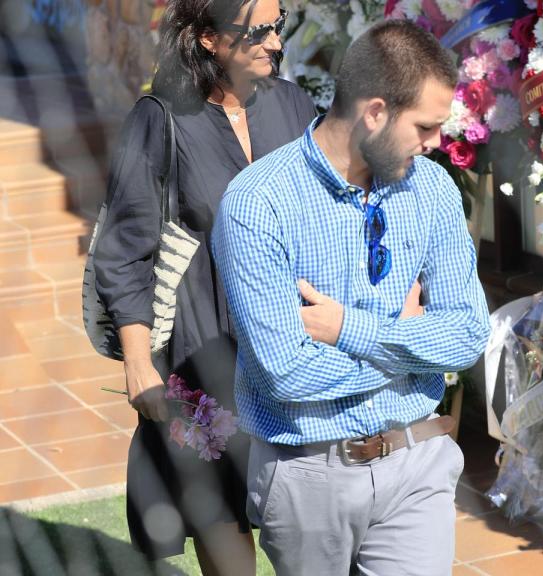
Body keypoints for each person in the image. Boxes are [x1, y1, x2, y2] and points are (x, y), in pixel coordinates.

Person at [211, 19, 490, 575]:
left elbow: (468, 334)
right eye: (426, 126)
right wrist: (411, 346)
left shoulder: (432, 188)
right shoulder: (257, 204)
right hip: (308, 475)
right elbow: (286, 374)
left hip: (417, 463)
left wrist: (349, 330)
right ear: (376, 111)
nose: (438, 143)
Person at [92, 0, 316, 573]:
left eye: (279, 24)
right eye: (258, 30)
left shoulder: (294, 106)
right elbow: (124, 251)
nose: (275, 42)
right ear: (211, 39)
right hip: (200, 348)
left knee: (307, 525)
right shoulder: (162, 116)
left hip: (288, 348)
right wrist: (138, 362)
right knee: (223, 527)